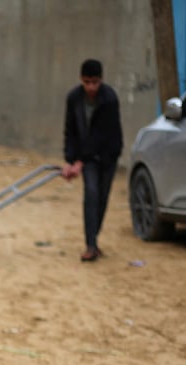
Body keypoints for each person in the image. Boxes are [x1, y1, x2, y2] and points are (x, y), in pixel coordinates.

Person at [61, 58, 123, 262]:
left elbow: (101, 135)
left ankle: (94, 239)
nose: (91, 87)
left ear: (101, 80)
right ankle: (91, 245)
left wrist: (79, 161)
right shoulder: (74, 98)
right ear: (81, 80)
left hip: (107, 154)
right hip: (87, 159)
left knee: (102, 199)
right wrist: (70, 160)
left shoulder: (109, 99)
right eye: (87, 82)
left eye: (94, 82)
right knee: (91, 194)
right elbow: (70, 131)